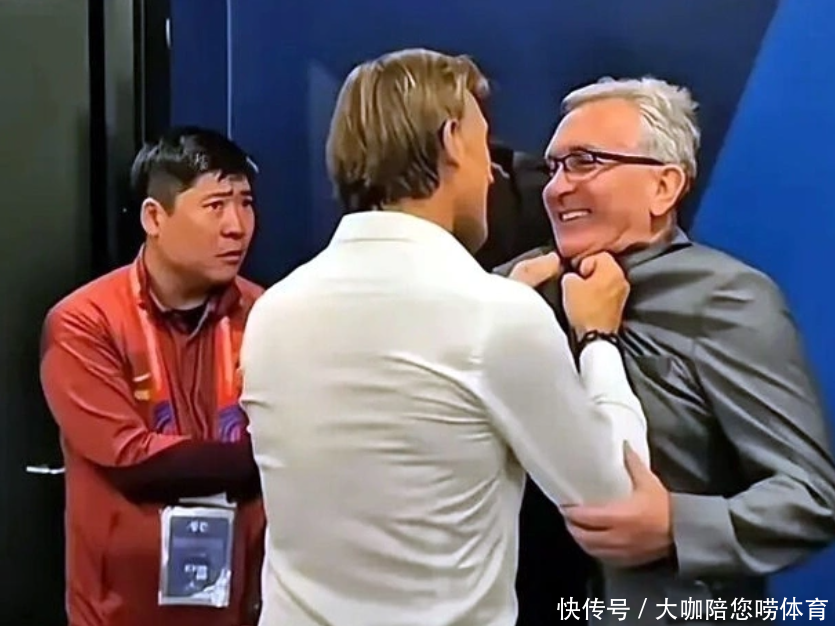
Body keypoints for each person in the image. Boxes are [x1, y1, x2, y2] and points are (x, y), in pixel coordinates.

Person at [240, 48, 650, 626]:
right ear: (453, 140)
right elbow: (616, 494)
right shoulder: (495, 318)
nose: (492, 175)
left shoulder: (271, 313)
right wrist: (597, 338)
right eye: (485, 148)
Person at [496, 77, 835, 624]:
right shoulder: (512, 289)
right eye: (553, 167)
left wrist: (677, 526)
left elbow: (810, 496)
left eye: (584, 162)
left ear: (664, 186)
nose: (556, 189)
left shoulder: (725, 298)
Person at [40, 127, 265, 626]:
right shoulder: (86, 321)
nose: (237, 226)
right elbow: (132, 459)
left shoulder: (267, 314)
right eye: (215, 206)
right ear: (154, 218)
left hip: (242, 609)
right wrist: (267, 457)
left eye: (245, 203)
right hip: (119, 612)